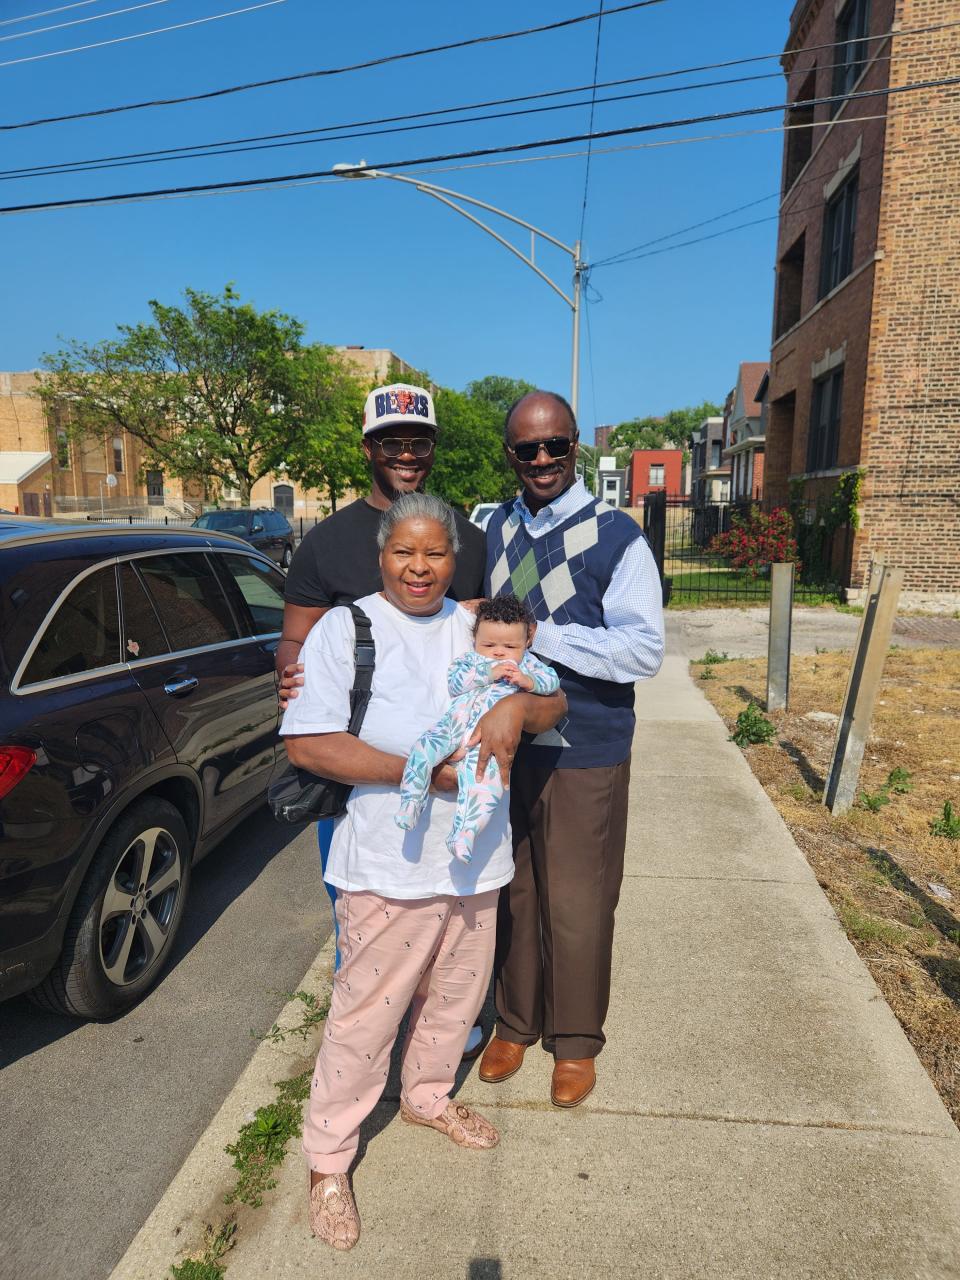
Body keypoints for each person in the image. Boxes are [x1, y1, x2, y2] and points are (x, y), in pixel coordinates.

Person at [280, 493, 566, 1251]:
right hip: (386, 864)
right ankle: (329, 1157)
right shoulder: (347, 629)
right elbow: (308, 744)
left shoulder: (476, 628)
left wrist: (516, 713)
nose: (419, 566)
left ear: (453, 557)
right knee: (365, 1016)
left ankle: (428, 1096)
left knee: (455, 999)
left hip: (475, 861)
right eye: (405, 551)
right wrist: (421, 771)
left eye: (434, 552)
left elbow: (554, 699)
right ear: (382, 555)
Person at [279, 380, 487, 1054]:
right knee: (364, 926)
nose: (407, 453)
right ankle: (367, 1044)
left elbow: (477, 645)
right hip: (357, 781)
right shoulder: (326, 543)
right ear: (367, 447)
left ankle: (430, 1041)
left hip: (448, 779)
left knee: (446, 917)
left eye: (418, 442)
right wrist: (291, 679)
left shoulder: (467, 538)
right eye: (392, 442)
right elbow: (296, 640)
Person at [478, 390, 665, 1108]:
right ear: (512, 455)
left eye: (556, 445)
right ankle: (517, 1022)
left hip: (585, 743)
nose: (543, 459)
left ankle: (577, 1040)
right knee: (514, 888)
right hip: (506, 743)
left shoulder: (615, 535)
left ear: (576, 445)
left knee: (580, 899)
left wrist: (541, 635)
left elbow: (643, 649)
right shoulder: (492, 527)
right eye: (528, 449)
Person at [396, 594, 560, 863]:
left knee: (487, 784)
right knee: (422, 750)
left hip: (487, 741)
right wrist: (487, 674)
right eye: (488, 644)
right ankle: (411, 801)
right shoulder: (472, 661)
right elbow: (455, 682)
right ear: (475, 640)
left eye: (509, 645)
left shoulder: (527, 664)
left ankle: (465, 834)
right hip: (453, 726)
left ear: (526, 642)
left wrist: (527, 681)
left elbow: (550, 681)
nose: (498, 651)